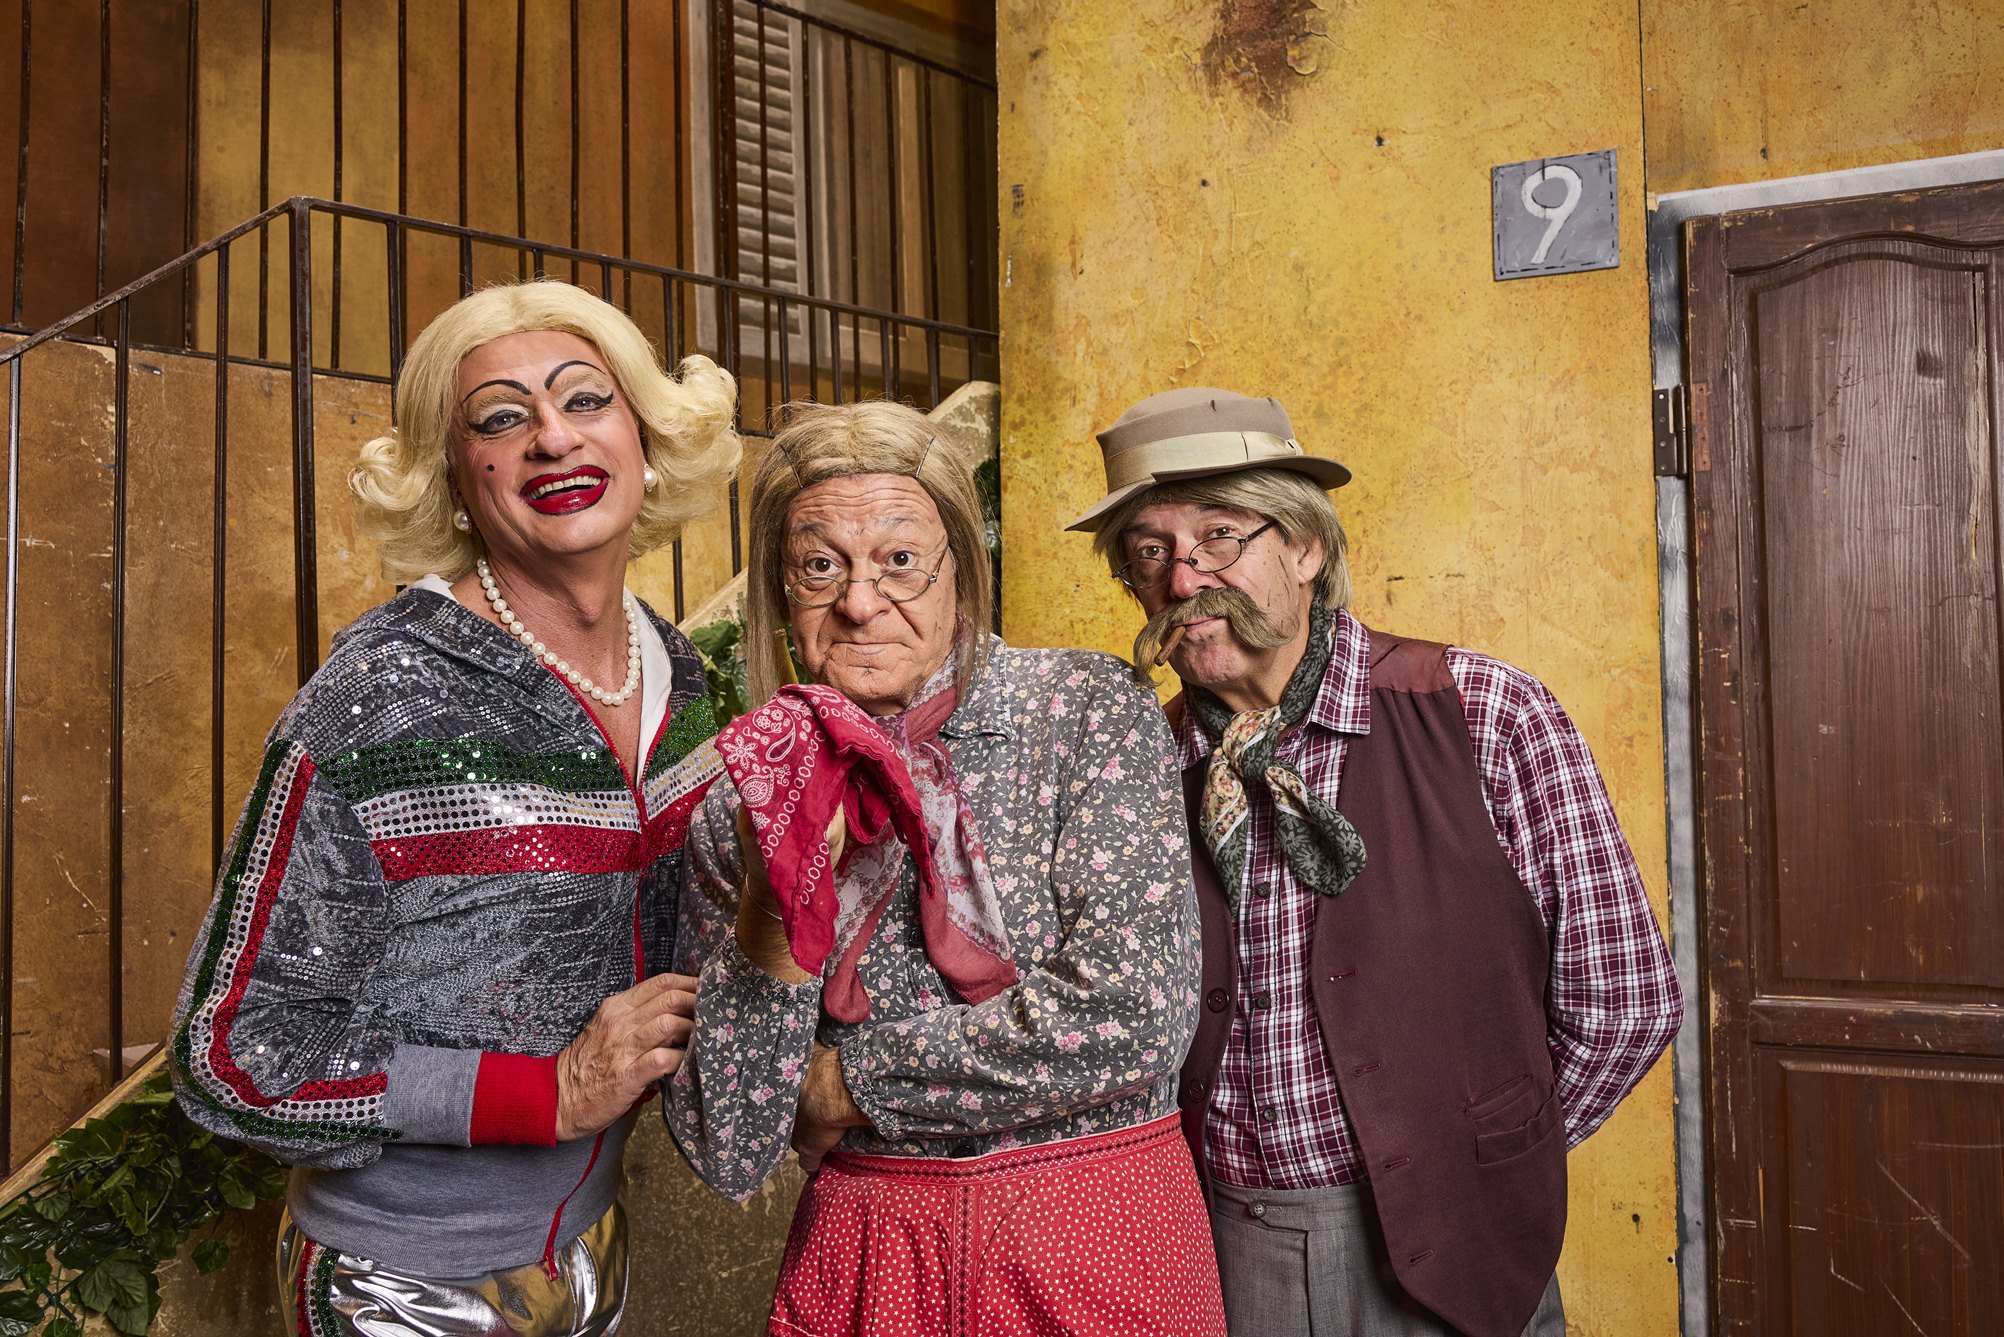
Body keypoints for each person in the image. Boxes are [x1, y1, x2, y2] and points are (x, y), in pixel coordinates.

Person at [168, 280, 740, 1337]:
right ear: (455, 479)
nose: (552, 439)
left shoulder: (679, 672)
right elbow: (234, 1051)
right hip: (403, 1275)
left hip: (592, 1240)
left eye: (584, 399)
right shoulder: (381, 693)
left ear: (647, 435)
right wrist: (546, 1091)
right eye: (502, 418)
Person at [1068, 388, 1684, 1337]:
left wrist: (1476, 1172)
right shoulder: (1149, 761)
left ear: (1308, 546)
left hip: (1451, 1252)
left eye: (1221, 534)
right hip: (1219, 1248)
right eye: (1150, 552)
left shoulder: (1482, 711)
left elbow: (1626, 1001)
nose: (1185, 579)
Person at [663, 399, 1226, 1337]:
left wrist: (847, 1083)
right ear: (780, 593)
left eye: (898, 558)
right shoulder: (741, 801)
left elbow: (1132, 1017)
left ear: (961, 571)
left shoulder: (1083, 711)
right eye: (818, 565)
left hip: (1096, 1230)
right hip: (867, 1253)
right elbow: (729, 1145)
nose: (858, 599)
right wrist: (776, 902)